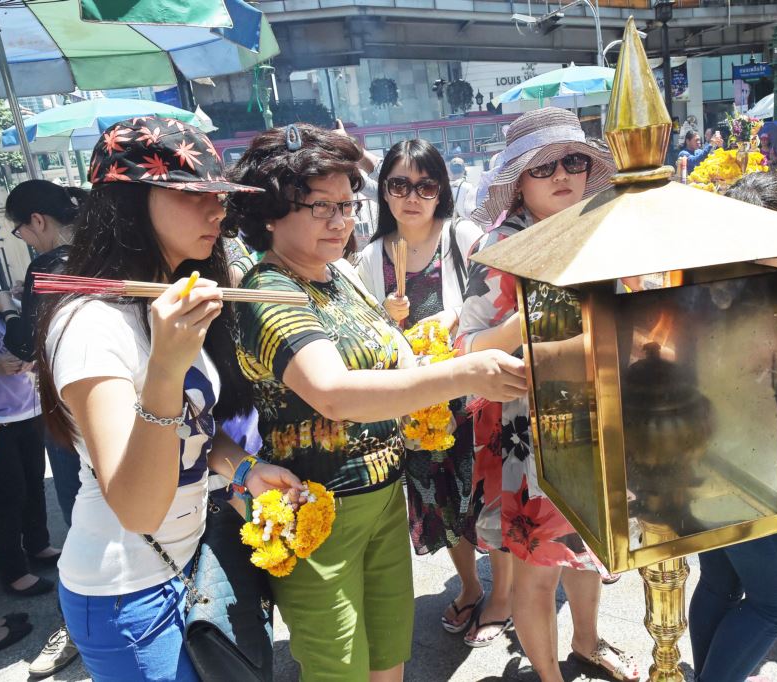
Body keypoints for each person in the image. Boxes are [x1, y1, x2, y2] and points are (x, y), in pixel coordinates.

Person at [223, 123, 526, 682]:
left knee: (390, 656)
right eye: (321, 207)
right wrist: (464, 372)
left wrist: (457, 349)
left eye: (347, 204)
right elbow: (334, 393)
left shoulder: (341, 273)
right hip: (319, 511)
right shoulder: (268, 291)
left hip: (387, 493)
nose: (341, 221)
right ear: (270, 212)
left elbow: (397, 356)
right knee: (339, 668)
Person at [37, 117, 305, 682]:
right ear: (130, 201)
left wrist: (245, 468)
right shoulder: (90, 325)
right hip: (124, 590)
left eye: (220, 196)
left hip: (187, 560)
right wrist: (164, 366)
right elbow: (134, 506)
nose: (218, 211)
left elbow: (194, 432)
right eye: (194, 195)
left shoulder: (169, 300)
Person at [459, 108, 638, 682]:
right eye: (543, 166)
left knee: (592, 550)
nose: (562, 173)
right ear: (518, 181)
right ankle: (549, 676)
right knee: (538, 568)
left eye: (574, 160)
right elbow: (468, 345)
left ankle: (587, 643)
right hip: (527, 430)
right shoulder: (497, 248)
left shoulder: (603, 228)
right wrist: (531, 305)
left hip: (602, 412)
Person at [355, 139, 485, 634]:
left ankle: (507, 598)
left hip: (473, 394)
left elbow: (495, 299)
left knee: (486, 492)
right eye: (400, 185)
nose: (413, 196)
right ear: (384, 192)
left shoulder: (464, 237)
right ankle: (472, 586)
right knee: (443, 501)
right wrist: (384, 320)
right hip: (416, 406)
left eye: (425, 185)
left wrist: (451, 319)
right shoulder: (370, 259)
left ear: (441, 191)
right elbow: (362, 334)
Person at [688, 172, 777, 682]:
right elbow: (758, 410)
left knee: (718, 581)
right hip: (746, 472)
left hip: (695, 459)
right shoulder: (764, 303)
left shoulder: (699, 285)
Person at [0, 180, 87, 677]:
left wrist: (9, 307)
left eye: (19, 229)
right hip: (133, 401)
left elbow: (25, 345)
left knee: (83, 510)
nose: (23, 239)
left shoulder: (48, 266)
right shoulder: (107, 250)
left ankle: (83, 624)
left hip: (69, 407)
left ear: (37, 221)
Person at [0, 303, 60, 599]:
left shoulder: (2, 307)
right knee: (9, 495)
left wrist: (30, 360)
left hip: (28, 411)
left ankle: (38, 545)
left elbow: (31, 342)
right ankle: (14, 572)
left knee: (34, 485)